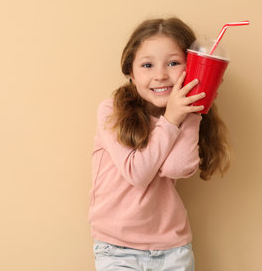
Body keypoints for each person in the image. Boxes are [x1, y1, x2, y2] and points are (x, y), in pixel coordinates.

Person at [88, 17, 231, 271]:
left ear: (192, 68)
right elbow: (138, 173)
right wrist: (173, 118)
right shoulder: (111, 112)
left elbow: (177, 168)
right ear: (131, 73)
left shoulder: (184, 118)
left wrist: (194, 110)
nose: (161, 75)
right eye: (147, 65)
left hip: (172, 250)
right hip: (116, 249)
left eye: (173, 63)